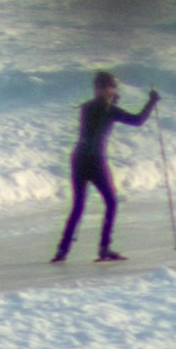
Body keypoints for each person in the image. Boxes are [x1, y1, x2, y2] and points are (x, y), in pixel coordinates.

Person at [55, 68, 160, 263]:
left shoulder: (86, 107)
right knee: (111, 202)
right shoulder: (108, 109)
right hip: (95, 160)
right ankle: (104, 248)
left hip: (77, 159)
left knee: (78, 206)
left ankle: (62, 250)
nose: (111, 90)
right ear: (104, 89)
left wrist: (111, 102)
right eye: (110, 87)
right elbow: (137, 121)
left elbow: (98, 116)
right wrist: (152, 102)